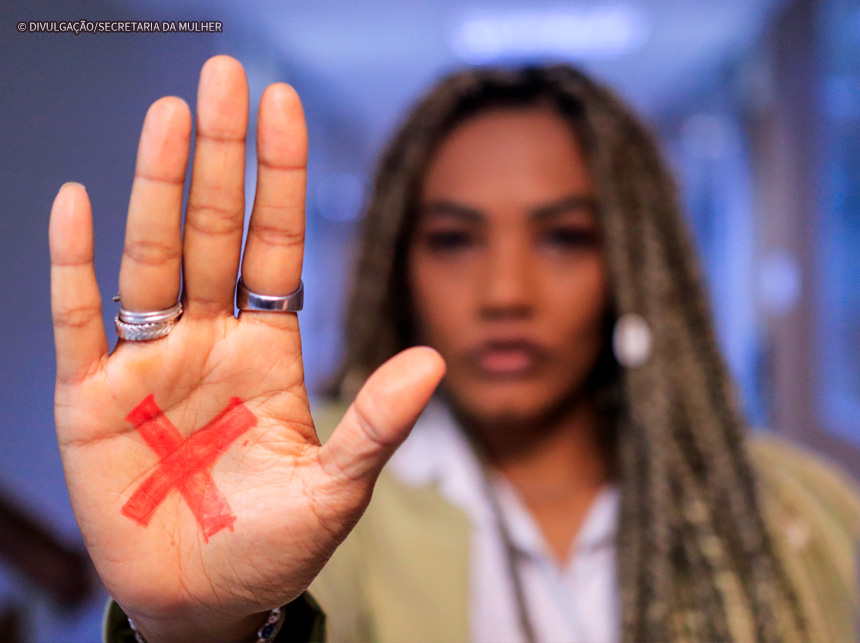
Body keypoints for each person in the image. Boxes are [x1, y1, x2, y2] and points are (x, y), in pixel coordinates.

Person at [48, 55, 859, 643]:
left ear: (631, 264)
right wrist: (204, 628)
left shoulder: (808, 511)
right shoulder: (299, 484)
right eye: (454, 238)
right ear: (401, 269)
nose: (506, 290)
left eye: (565, 237)